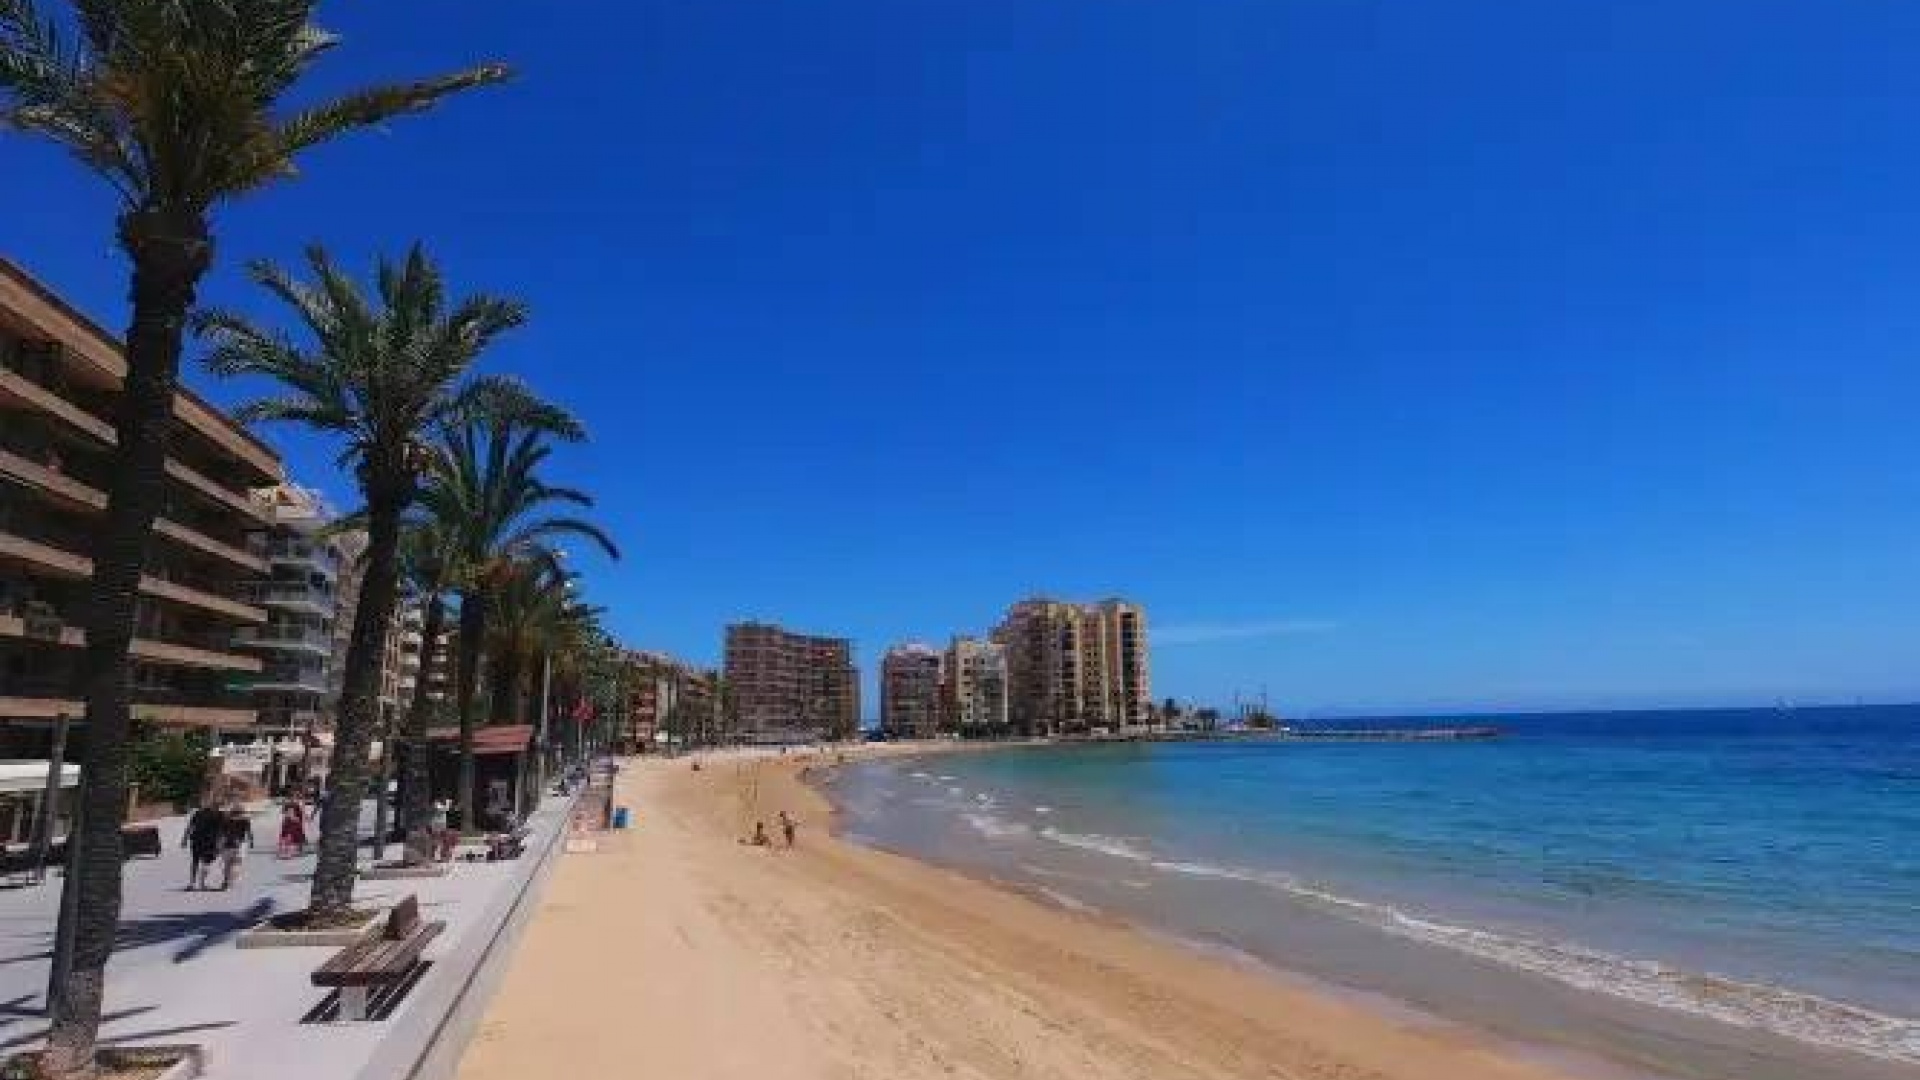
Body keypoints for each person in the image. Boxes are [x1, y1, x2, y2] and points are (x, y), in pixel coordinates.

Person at [183, 801, 224, 890]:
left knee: (197, 861)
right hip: (207, 842)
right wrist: (220, 843)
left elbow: (190, 826)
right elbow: (222, 831)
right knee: (203, 861)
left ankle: (194, 883)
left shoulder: (199, 813)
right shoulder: (219, 815)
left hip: (199, 840)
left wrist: (185, 838)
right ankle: (198, 883)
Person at [217, 803, 253, 890]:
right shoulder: (245, 821)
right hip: (239, 845)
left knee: (227, 865)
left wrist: (219, 844)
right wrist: (251, 842)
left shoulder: (226, 820)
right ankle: (230, 881)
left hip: (227, 845)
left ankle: (226, 882)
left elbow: (221, 833)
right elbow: (249, 833)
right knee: (236, 864)